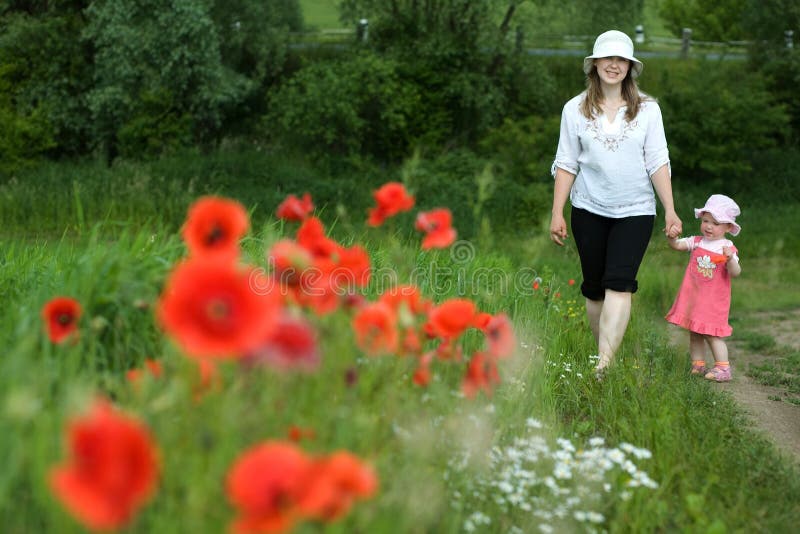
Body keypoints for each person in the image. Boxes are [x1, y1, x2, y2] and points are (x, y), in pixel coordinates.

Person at [549, 29, 682, 377]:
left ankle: (604, 365)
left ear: (629, 67)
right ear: (594, 65)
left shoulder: (648, 110)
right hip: (588, 209)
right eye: (607, 58)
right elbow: (566, 163)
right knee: (594, 290)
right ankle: (602, 354)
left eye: (620, 59)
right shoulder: (574, 110)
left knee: (620, 282)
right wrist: (556, 213)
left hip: (635, 211)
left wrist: (669, 209)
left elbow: (657, 161)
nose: (613, 65)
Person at [665, 194, 742, 382]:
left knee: (712, 333)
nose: (708, 226)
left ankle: (723, 368)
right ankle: (698, 364)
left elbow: (735, 272)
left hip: (713, 301)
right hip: (695, 298)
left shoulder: (726, 247)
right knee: (695, 332)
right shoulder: (697, 241)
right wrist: (672, 238)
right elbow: (677, 246)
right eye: (706, 220)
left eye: (715, 223)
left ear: (728, 227)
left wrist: (730, 259)